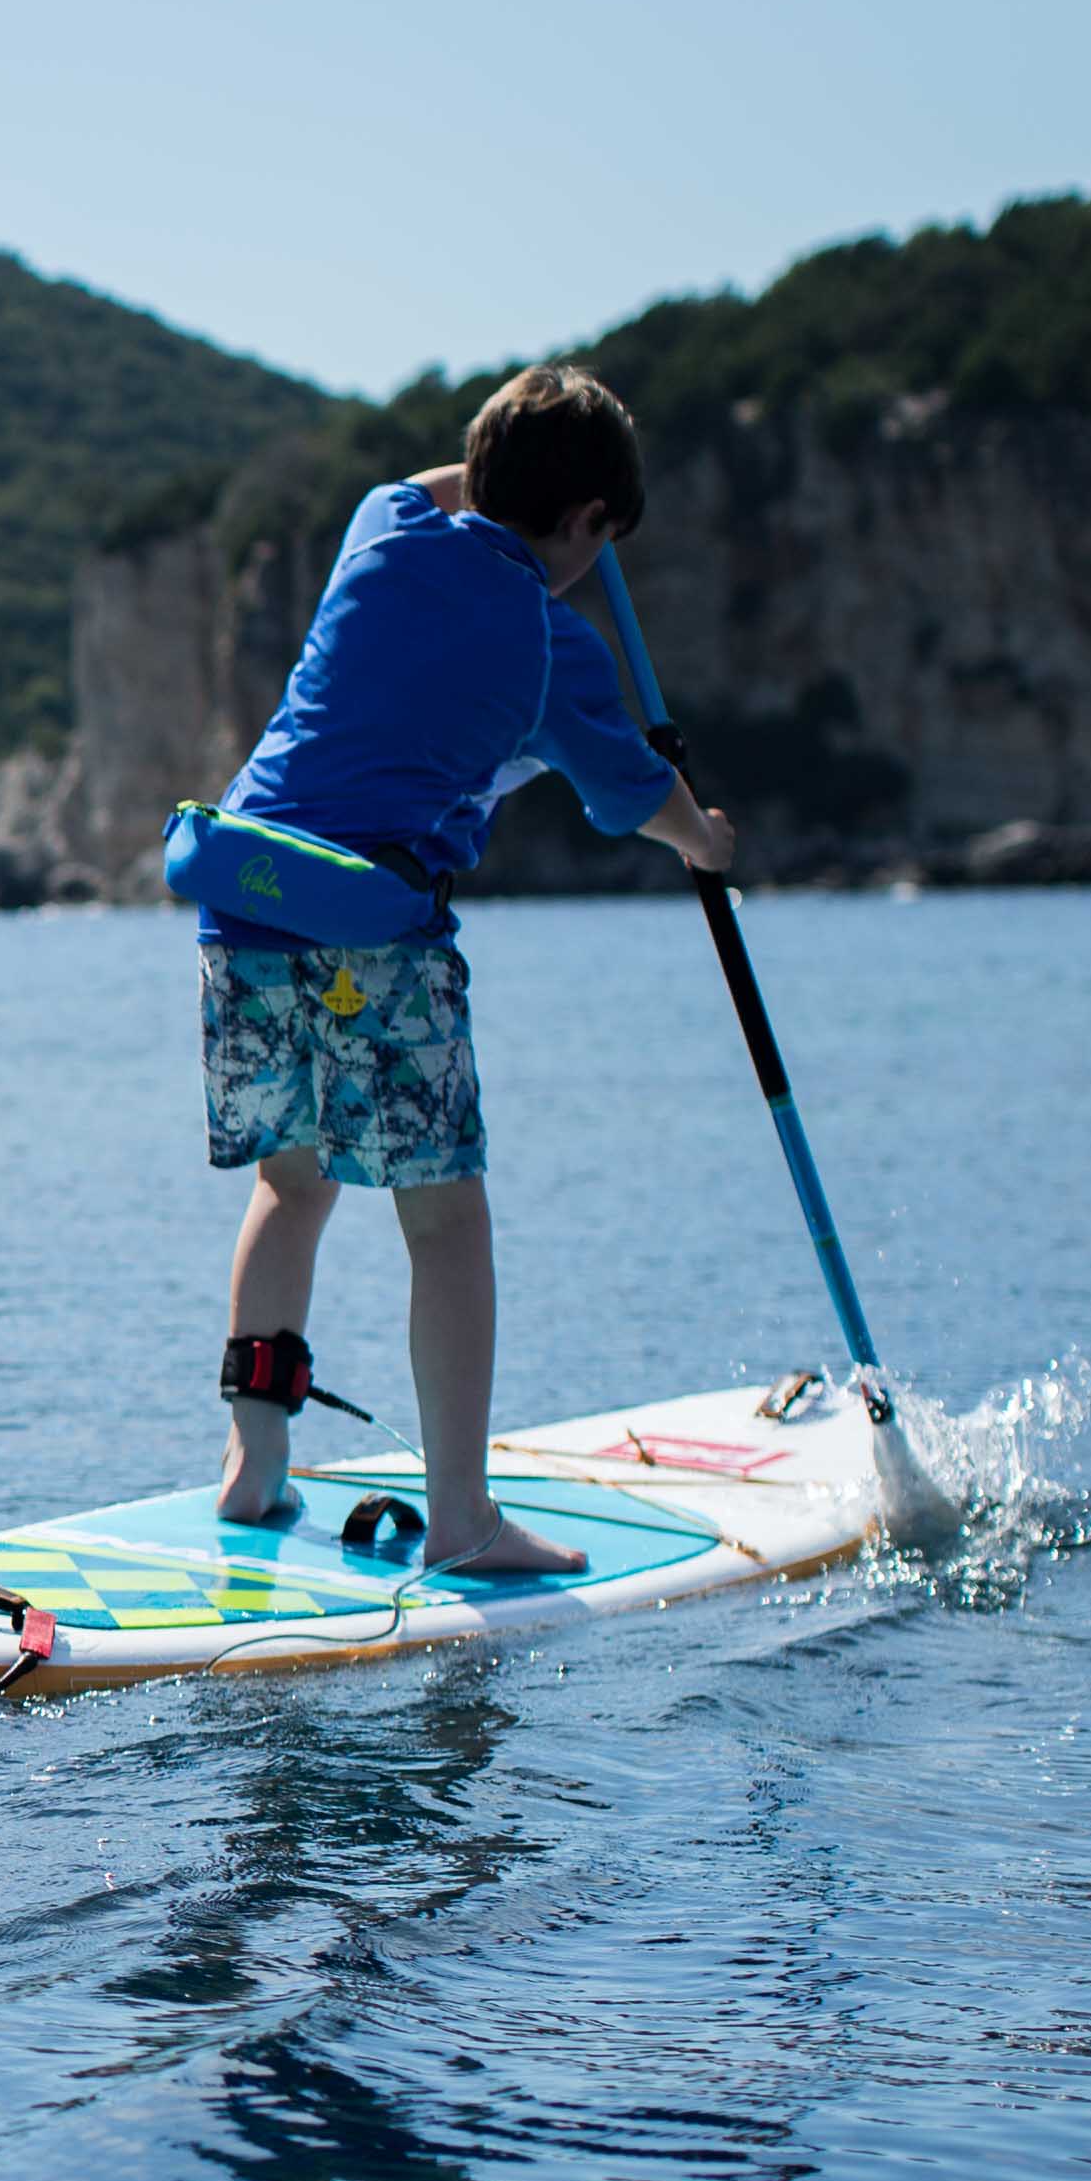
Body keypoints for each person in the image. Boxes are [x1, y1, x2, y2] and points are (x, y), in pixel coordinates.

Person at [197, 364, 743, 1575]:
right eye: (599, 537)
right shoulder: (552, 642)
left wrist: (510, 455)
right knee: (444, 1225)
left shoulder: (382, 527)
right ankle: (464, 1519)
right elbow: (636, 797)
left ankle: (253, 1463)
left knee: (291, 1188)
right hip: (379, 936)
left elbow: (443, 480)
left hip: (245, 906)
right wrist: (708, 836)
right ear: (593, 524)